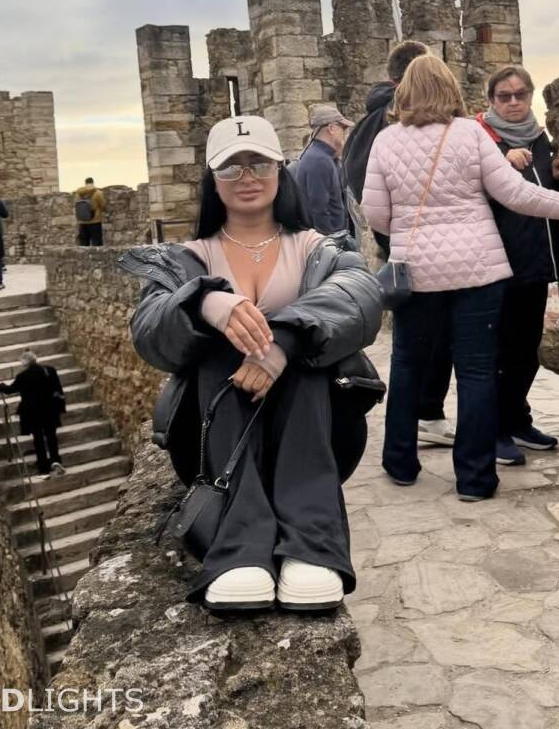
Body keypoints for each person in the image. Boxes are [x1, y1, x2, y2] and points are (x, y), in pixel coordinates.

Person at [121, 114, 383, 613]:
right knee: (223, 341)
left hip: (313, 428)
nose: (247, 177)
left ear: (280, 171)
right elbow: (150, 332)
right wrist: (204, 302)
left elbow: (361, 297)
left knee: (304, 343)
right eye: (231, 167)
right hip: (214, 435)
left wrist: (282, 340)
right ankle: (238, 546)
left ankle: (312, 542)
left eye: (259, 164)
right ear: (213, 180)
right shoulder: (185, 261)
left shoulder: (319, 249)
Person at [361, 54, 559, 501]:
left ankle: (400, 463)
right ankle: (475, 479)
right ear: (450, 89)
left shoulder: (385, 141)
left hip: (416, 273)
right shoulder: (469, 133)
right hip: (477, 269)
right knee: (477, 371)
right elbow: (514, 193)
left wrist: (407, 231)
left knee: (407, 365)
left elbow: (375, 214)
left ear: (404, 92)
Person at [343, 40, 455, 449]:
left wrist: (392, 234)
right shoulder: (396, 120)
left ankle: (405, 442)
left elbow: (361, 187)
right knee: (435, 338)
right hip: (423, 244)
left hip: (396, 244)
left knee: (412, 345)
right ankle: (428, 414)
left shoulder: (366, 123)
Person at [478, 65, 559, 465]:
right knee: (501, 353)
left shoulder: (538, 138)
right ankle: (495, 431)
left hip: (535, 261)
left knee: (526, 351)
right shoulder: (483, 140)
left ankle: (518, 420)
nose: (514, 102)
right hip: (500, 263)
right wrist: (502, 162)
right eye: (505, 96)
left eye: (521, 94)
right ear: (491, 100)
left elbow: (538, 191)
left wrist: (551, 175)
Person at [0, 350, 66, 477]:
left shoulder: (23, 376)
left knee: (38, 440)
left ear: (24, 363)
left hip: (33, 413)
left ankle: (44, 469)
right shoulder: (50, 370)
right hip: (50, 410)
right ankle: (55, 460)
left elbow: (10, 390)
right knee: (51, 436)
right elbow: (58, 389)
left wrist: (1, 386)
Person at [293, 105, 354, 235]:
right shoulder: (319, 160)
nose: (344, 133)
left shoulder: (319, 156)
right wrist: (332, 241)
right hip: (329, 239)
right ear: (331, 128)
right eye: (342, 128)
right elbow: (319, 209)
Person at [74, 178, 106, 246]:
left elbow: (76, 204)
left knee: (83, 245)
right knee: (97, 243)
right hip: (95, 221)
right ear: (93, 183)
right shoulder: (98, 193)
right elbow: (103, 205)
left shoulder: (78, 193)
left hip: (82, 221)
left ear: (85, 183)